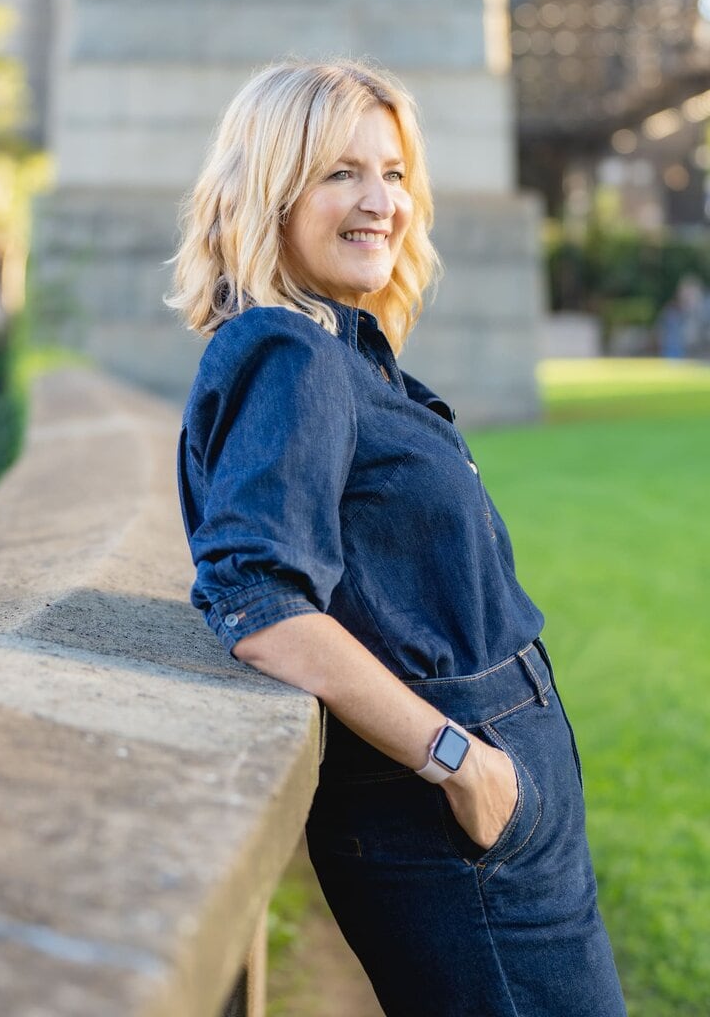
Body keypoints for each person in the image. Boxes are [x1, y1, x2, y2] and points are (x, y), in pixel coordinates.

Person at [170, 58, 627, 1017]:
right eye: (341, 173)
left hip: (497, 785)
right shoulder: (290, 351)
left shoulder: (337, 348)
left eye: (393, 172)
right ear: (272, 192)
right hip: (457, 805)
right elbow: (258, 603)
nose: (381, 201)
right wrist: (461, 760)